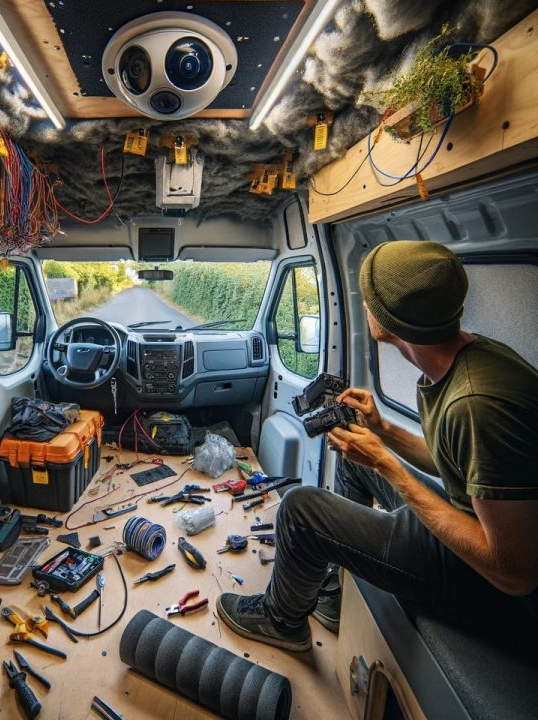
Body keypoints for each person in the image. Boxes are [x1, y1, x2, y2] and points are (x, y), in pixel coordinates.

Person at [217, 240, 538, 652]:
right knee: (355, 464)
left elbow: (513, 573)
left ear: (394, 322)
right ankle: (329, 595)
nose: (365, 307)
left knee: (300, 509)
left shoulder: (476, 404)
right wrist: (383, 430)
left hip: (496, 590)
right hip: (477, 527)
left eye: (370, 301)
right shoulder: (473, 358)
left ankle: (282, 623)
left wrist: (390, 467)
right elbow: (459, 465)